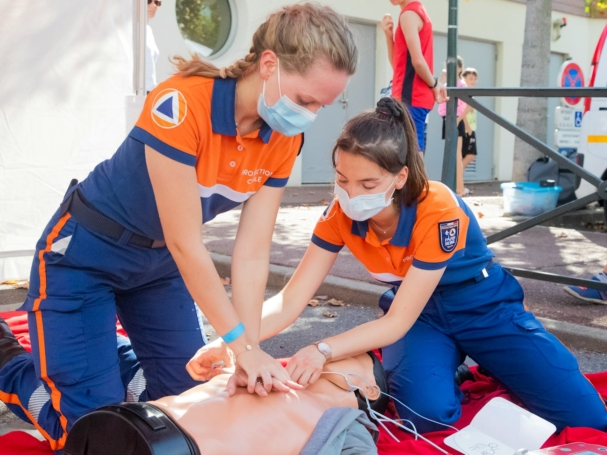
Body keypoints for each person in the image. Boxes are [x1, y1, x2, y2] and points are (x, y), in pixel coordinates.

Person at [0, 4, 358, 452]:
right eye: (306, 100)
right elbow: (186, 242)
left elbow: (251, 253)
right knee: (95, 433)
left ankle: (110, 359)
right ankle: (10, 362)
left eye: (321, 106)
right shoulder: (182, 102)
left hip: (155, 268)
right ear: (270, 65)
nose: (310, 115)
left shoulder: (285, 138)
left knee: (189, 404)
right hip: (84, 259)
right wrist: (241, 348)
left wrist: (242, 349)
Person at [192, 97, 607, 435]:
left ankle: (480, 359)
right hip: (421, 318)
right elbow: (290, 299)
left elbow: (395, 323)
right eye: (342, 179)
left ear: (400, 177)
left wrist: (322, 349)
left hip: (483, 308)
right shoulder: (339, 213)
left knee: (588, 416)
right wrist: (234, 341)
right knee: (422, 416)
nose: (350, 195)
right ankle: (453, 367)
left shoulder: (438, 206)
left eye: (367, 184)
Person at [64, 352, 387, 455]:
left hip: (173, 445)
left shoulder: (349, 425)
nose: (317, 354)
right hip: (123, 423)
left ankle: (11, 360)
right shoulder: (261, 370)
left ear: (370, 389)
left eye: (349, 357)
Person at [381, 0, 447, 153]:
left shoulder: (409, 15)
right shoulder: (416, 11)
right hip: (414, 98)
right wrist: (389, 37)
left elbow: (417, 62)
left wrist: (435, 84)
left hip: (410, 97)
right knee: (412, 153)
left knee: (410, 155)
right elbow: (399, 65)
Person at [438, 56, 467, 196]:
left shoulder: (461, 84)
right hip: (446, 117)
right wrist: (442, 77)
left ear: (460, 68)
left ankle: (460, 188)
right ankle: (453, 188)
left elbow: (466, 105)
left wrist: (458, 120)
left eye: (454, 66)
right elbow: (436, 91)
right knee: (449, 153)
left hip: (456, 118)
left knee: (457, 154)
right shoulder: (445, 83)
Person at [460, 68, 478, 174]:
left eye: (475, 79)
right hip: (468, 130)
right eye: (471, 78)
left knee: (466, 156)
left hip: (470, 128)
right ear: (464, 79)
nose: (473, 81)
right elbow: (463, 112)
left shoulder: (470, 95)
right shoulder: (466, 96)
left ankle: (458, 181)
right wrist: (467, 127)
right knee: (470, 155)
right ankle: (456, 177)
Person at [146, 0, 161, 93]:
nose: (154, 5)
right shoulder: (129, 29)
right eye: (148, 1)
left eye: (157, 2)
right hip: (133, 91)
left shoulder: (148, 30)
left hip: (150, 90)